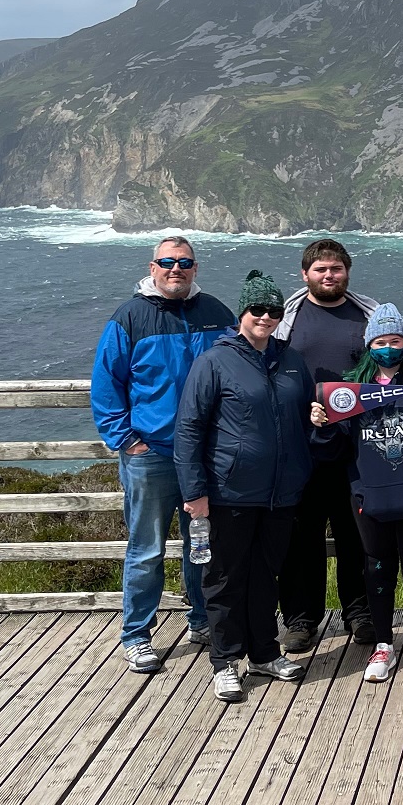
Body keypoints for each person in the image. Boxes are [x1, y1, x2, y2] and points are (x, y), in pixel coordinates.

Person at [90, 235, 233, 673]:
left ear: (195, 267)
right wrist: (127, 440)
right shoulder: (130, 317)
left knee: (202, 546)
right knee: (147, 548)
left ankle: (201, 621)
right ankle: (136, 635)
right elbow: (106, 384)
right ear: (153, 267)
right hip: (150, 455)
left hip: (205, 453)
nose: (177, 268)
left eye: (185, 262)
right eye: (168, 261)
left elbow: (239, 366)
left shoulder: (216, 313)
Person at [174, 271, 313, 701]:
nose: (266, 318)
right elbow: (189, 430)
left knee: (264, 576)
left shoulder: (290, 360)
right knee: (223, 577)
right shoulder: (214, 362)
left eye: (274, 311)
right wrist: (194, 492)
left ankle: (264, 654)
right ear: (242, 313)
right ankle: (224, 661)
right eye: (258, 310)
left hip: (279, 493)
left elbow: (307, 413)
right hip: (227, 493)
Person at [311, 304, 403, 684]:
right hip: (369, 498)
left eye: (395, 341)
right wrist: (323, 423)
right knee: (377, 569)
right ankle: (383, 644)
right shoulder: (351, 394)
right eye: (380, 341)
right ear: (369, 346)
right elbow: (329, 451)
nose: (388, 348)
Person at [273, 238, 376, 653]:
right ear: (305, 274)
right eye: (320, 270)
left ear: (347, 272)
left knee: (358, 534)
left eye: (335, 268)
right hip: (302, 449)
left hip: (356, 449)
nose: (328, 275)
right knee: (302, 539)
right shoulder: (286, 318)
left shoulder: (368, 315)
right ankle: (300, 618)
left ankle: (360, 612)